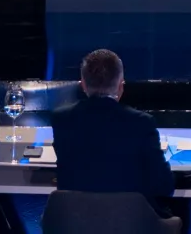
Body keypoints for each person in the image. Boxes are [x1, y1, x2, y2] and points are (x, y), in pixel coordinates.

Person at [49, 48, 176, 207]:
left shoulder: (62, 119)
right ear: (121, 86)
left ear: (83, 85)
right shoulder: (142, 123)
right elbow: (164, 186)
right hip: (132, 224)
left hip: (75, 221)